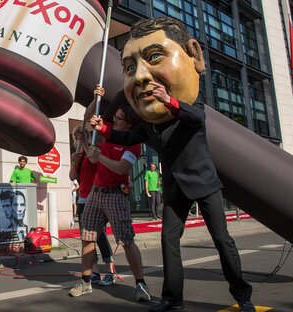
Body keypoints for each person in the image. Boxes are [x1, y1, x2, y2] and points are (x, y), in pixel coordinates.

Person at [90, 17, 254, 312]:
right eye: (130, 68)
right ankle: (172, 300)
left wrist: (169, 100)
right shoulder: (149, 127)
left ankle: (242, 296)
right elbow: (124, 137)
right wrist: (101, 129)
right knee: (169, 242)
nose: (140, 77)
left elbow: (193, 118)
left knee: (222, 240)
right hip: (175, 189)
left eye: (154, 57)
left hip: (204, 183)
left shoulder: (193, 112)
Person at [71, 92, 150, 302]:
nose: (113, 121)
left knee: (126, 240)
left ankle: (141, 284)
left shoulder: (133, 144)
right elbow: (90, 117)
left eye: (119, 119)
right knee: (87, 237)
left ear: (130, 123)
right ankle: (86, 281)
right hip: (96, 194)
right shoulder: (109, 131)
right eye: (113, 118)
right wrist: (94, 98)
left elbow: (122, 167)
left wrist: (100, 157)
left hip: (116, 195)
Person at [69, 125, 115, 287]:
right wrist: (77, 157)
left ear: (88, 135)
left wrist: (86, 144)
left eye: (81, 135)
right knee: (87, 238)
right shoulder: (78, 155)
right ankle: (95, 271)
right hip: (82, 199)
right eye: (76, 136)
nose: (78, 138)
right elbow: (72, 176)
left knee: (100, 235)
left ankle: (110, 271)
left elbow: (95, 159)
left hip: (97, 197)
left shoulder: (95, 149)